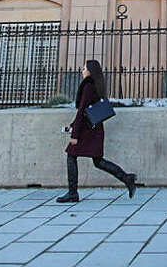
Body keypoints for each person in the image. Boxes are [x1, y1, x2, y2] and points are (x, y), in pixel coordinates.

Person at [56, 59, 136, 203]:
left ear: (90, 71)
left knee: (71, 156)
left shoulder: (88, 85)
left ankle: (72, 193)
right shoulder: (96, 85)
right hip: (94, 128)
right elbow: (87, 110)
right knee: (97, 161)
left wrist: (75, 134)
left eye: (84, 68)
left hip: (88, 130)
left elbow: (82, 110)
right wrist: (73, 126)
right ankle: (127, 178)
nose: (82, 70)